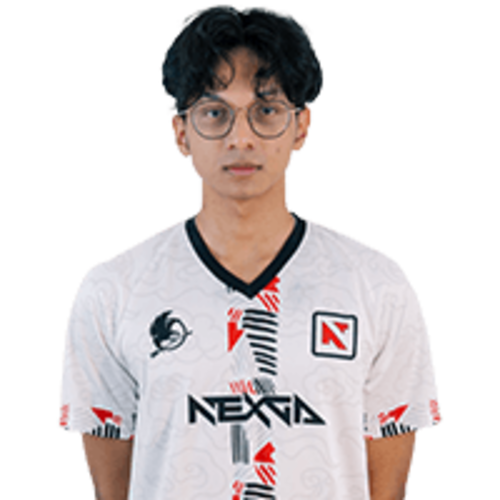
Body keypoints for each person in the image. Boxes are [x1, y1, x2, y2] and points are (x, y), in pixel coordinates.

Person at [56, 5, 443, 499]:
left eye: (266, 111)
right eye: (215, 113)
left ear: (302, 125)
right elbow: (115, 489)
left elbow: (385, 490)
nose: (241, 139)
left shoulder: (378, 284)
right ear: (180, 132)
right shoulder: (113, 289)